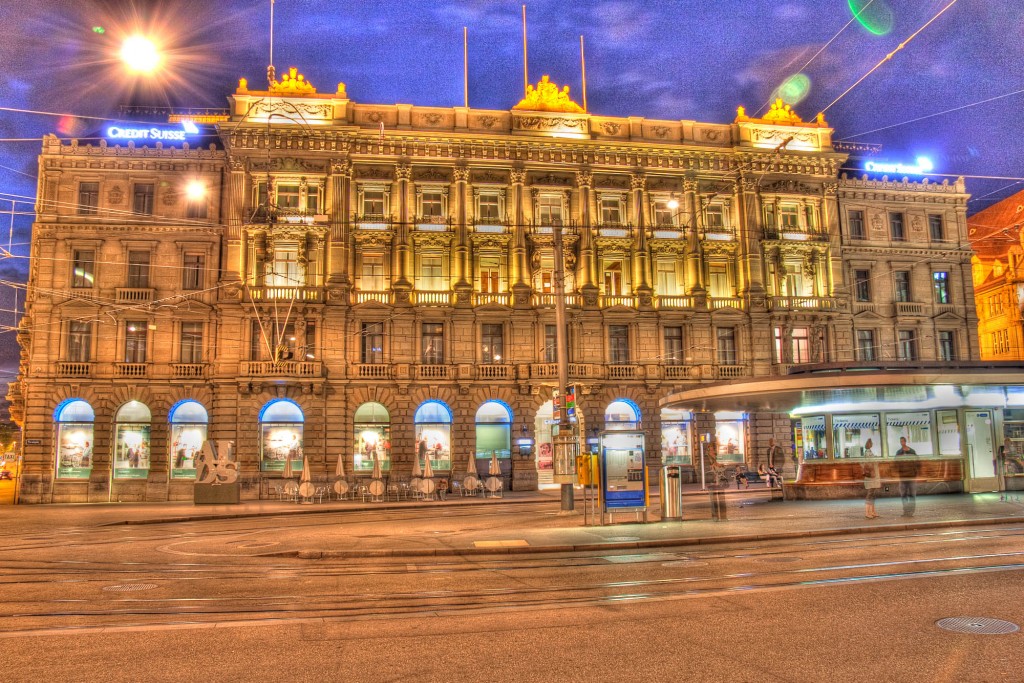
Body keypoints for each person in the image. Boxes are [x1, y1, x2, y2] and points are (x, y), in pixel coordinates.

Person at [894, 436, 919, 517]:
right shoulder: (899, 452)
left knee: (911, 495)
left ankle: (910, 512)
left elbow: (917, 463)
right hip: (903, 477)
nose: (902, 443)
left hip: (910, 477)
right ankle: (906, 511)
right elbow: (895, 463)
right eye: (900, 441)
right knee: (904, 495)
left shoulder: (911, 451)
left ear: (905, 442)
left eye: (902, 441)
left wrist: (915, 472)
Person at [862, 438, 881, 519]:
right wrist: (876, 459)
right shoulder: (868, 452)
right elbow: (870, 462)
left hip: (873, 477)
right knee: (870, 494)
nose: (872, 444)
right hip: (871, 477)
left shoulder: (869, 452)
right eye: (871, 443)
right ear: (869, 444)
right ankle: (867, 512)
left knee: (872, 494)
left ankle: (872, 511)